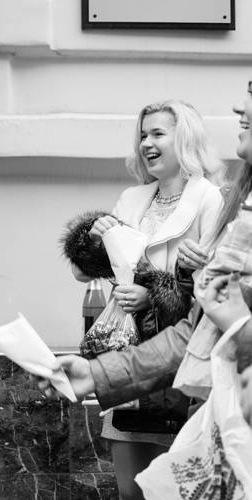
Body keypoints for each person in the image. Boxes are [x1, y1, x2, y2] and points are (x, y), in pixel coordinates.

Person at [40, 83, 252, 491]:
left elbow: (208, 301)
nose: (146, 144)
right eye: (143, 135)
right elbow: (89, 271)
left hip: (178, 369)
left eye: (158, 134)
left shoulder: (211, 199)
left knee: (170, 483)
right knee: (131, 487)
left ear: (184, 139)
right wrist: (94, 238)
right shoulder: (133, 198)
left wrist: (154, 294)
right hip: (128, 347)